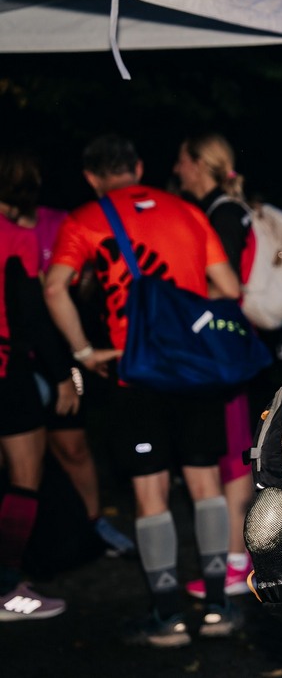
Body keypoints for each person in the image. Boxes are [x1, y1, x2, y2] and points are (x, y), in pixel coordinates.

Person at [42, 134, 243, 646]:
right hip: (193, 370)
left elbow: (54, 287)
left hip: (134, 372)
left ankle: (168, 616)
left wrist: (84, 352)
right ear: (138, 167)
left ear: (91, 177)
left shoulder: (84, 219)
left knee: (150, 492)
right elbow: (229, 289)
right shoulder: (187, 211)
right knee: (206, 485)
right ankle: (218, 609)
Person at [0, 147, 136, 558]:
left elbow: (86, 281)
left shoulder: (58, 222)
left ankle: (94, 524)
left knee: (72, 447)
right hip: (18, 362)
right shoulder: (12, 234)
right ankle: (18, 561)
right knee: (22, 467)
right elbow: (31, 303)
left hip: (58, 353)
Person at [172, 133, 255, 598]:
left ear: (201, 164)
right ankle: (234, 559)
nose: (177, 170)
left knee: (234, 454)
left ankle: (238, 563)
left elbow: (223, 284)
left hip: (224, 348)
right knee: (228, 449)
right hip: (219, 347)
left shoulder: (222, 214)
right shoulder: (216, 210)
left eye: (182, 161)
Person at [0, 183, 76, 620]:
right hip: (6, 367)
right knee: (24, 475)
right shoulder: (15, 235)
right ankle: (7, 589)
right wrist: (63, 373)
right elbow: (31, 311)